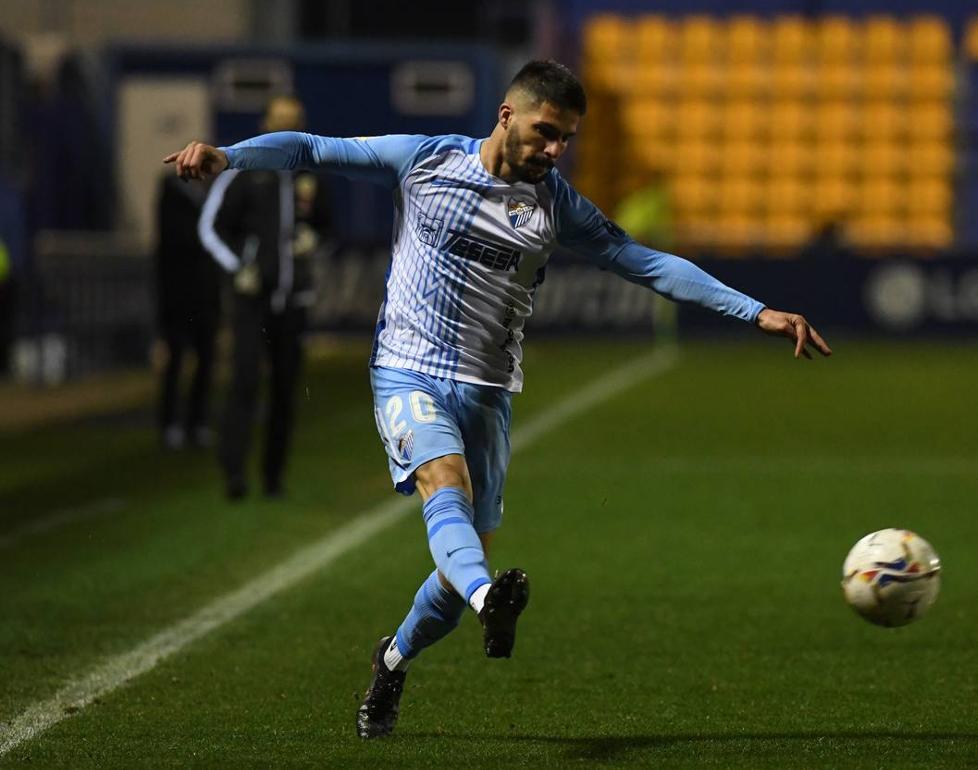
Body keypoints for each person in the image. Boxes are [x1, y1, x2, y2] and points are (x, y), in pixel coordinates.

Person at [164, 60, 831, 739]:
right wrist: (229, 157)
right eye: (546, 132)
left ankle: (393, 659)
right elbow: (311, 149)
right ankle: (493, 601)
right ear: (507, 116)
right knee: (443, 487)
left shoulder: (556, 205)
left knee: (451, 585)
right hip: (407, 374)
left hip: (486, 396)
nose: (554, 150)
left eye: (565, 139)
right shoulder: (423, 162)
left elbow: (647, 263)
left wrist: (756, 312)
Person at [197, 95, 333, 500]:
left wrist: (315, 242)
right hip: (251, 301)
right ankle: (234, 475)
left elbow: (328, 229)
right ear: (264, 125)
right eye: (280, 123)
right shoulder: (242, 170)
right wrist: (241, 266)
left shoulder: (312, 174)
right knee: (243, 381)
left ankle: (274, 477)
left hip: (294, 302)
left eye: (294, 123)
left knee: (285, 390)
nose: (286, 130)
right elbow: (211, 228)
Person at [154, 170, 220, 449]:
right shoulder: (174, 196)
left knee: (205, 360)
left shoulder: (208, 198)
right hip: (179, 295)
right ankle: (171, 423)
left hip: (205, 296)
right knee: (176, 360)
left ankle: (197, 422)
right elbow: (179, 241)